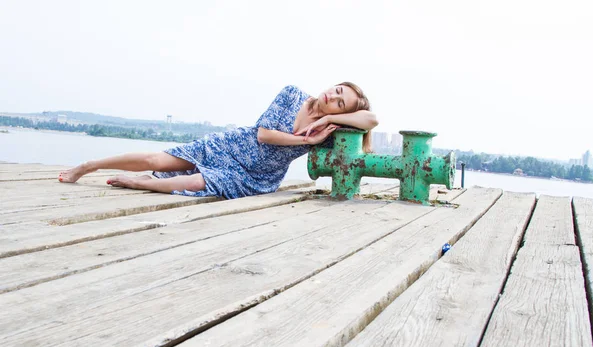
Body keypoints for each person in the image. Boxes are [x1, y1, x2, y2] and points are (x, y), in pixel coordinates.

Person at [58, 82, 378, 199]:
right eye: (337, 90)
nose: (333, 96)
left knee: (197, 182)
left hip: (253, 176)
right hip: (230, 145)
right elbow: (263, 134)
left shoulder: (327, 130)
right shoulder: (292, 94)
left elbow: (371, 120)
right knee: (158, 161)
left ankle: (140, 183)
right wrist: (313, 129)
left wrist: (329, 120)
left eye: (340, 103)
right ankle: (89, 165)